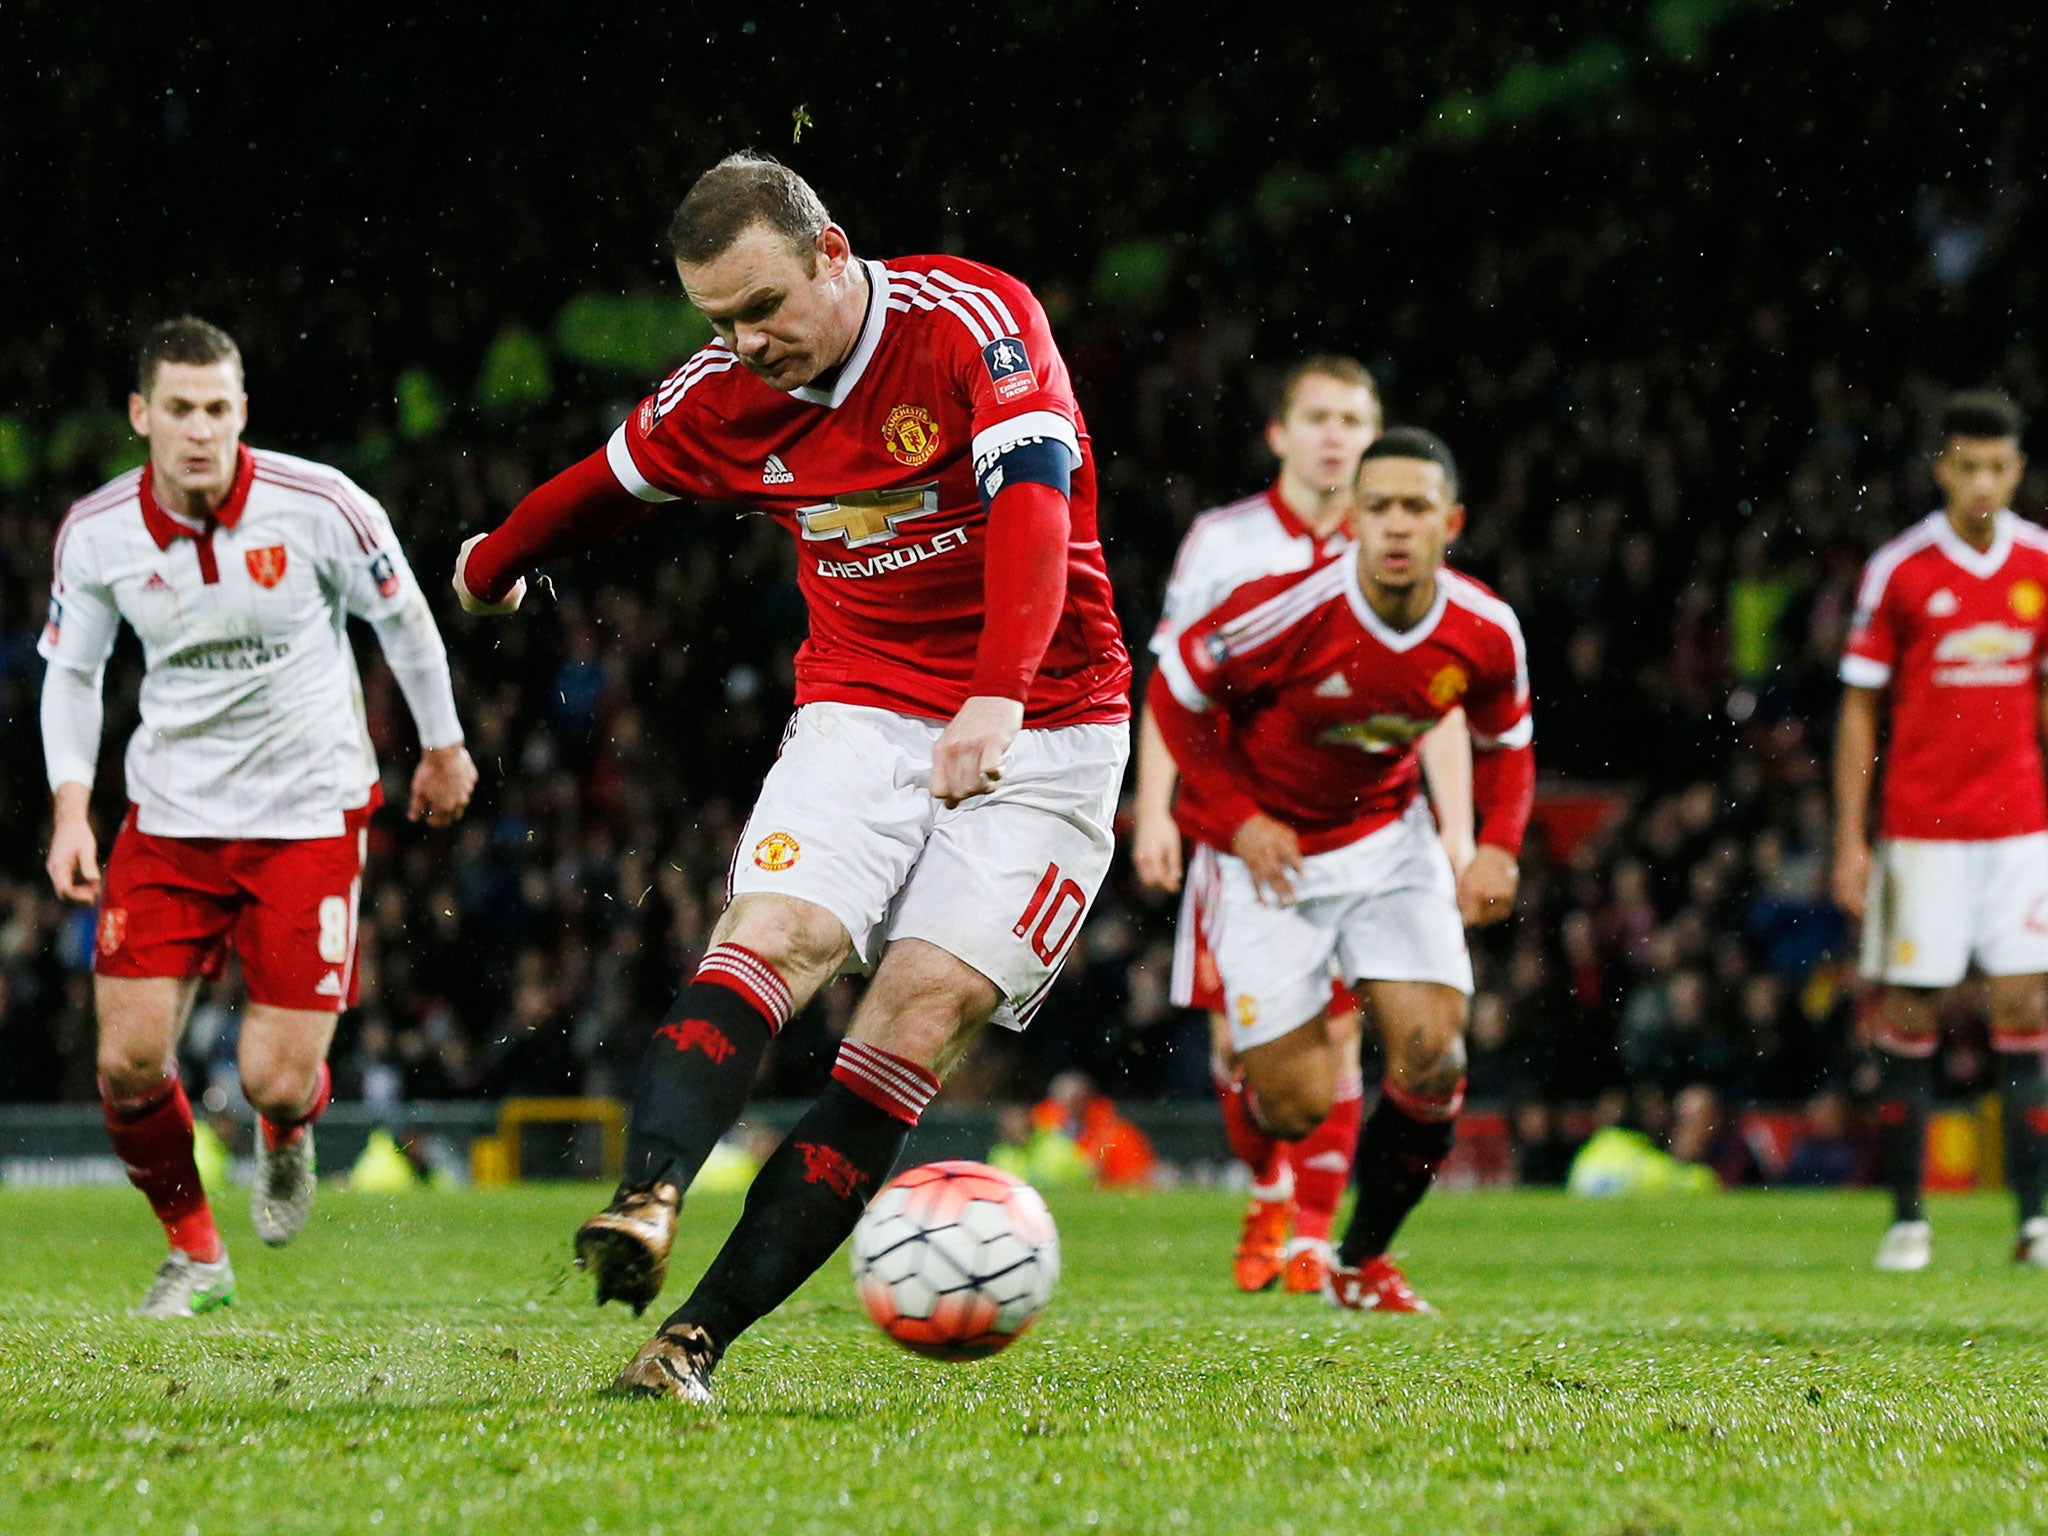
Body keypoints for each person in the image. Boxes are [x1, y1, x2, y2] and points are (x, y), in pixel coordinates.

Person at [452, 153, 1130, 1399]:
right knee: (775, 932)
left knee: (914, 1015)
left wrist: (993, 692)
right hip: (862, 712)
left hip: (1049, 726)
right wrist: (491, 562)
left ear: (833, 252)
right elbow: (599, 491)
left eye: (763, 307)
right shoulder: (721, 393)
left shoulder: (975, 321)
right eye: (717, 320)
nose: (745, 342)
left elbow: (1036, 506)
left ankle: (690, 1342)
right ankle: (647, 1199)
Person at [40, 316, 476, 1317]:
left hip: (306, 814)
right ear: (141, 414)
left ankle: (287, 1133)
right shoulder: (98, 531)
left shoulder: (320, 505)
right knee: (124, 1063)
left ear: (243, 412)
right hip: (170, 818)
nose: (200, 430)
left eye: (219, 409)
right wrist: (73, 808)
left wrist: (444, 744)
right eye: (180, 410)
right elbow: (73, 671)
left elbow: (404, 617)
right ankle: (196, 1254)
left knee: (275, 1080)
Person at [1150, 428, 1531, 1313]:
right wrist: (1238, 820)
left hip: (1384, 842)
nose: (1397, 526)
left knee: (1435, 1057)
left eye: (1417, 508)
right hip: (1269, 861)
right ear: (1354, 519)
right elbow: (1175, 693)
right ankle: (1262, 1130)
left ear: (1451, 523)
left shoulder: (1485, 630)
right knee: (1295, 1108)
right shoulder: (1283, 610)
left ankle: (1360, 1264)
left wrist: (1499, 845)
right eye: (1381, 507)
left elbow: (1506, 744)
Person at [1832, 389, 2048, 1272]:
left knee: (2025, 1007)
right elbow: (1858, 709)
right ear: (1942, 469)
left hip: (2017, 826)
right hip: (1920, 829)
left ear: (2019, 469)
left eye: (1999, 467)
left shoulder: (2042, 561)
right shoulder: (1901, 568)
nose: (1984, 483)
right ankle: (1908, 1218)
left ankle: (2034, 1221)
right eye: (1968, 466)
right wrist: (1851, 840)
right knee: (1910, 1012)